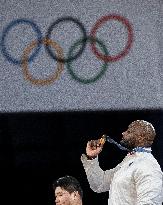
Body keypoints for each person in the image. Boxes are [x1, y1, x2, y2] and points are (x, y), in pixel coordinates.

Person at [81, 120, 163, 204]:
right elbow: (99, 184)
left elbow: (150, 203)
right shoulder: (129, 161)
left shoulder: (148, 165)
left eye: (129, 131)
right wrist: (92, 157)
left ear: (140, 137)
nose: (123, 133)